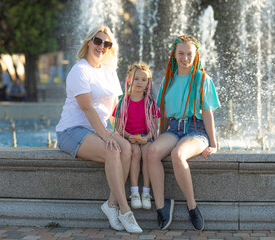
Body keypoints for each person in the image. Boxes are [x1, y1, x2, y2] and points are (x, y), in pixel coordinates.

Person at [55, 26, 142, 233]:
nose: (101, 47)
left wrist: (124, 133)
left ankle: (110, 205)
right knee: (113, 150)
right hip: (72, 130)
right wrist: (105, 136)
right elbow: (87, 107)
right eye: (98, 41)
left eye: (107, 44)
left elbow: (113, 109)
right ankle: (125, 210)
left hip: (97, 130)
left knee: (126, 148)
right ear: (88, 42)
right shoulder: (79, 70)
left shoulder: (110, 71)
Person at [147, 35, 221, 231]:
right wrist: (158, 136)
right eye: (181, 53)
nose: (185, 58)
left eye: (189, 54)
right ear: (175, 54)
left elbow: (207, 114)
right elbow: (163, 113)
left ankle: (192, 206)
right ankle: (162, 206)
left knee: (178, 154)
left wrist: (213, 144)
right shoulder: (168, 80)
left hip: (195, 129)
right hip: (173, 128)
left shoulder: (202, 79)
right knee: (152, 152)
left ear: (195, 54)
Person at [112, 62, 160, 210]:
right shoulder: (123, 103)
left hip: (146, 137)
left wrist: (147, 137)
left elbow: (155, 126)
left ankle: (146, 191)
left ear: (148, 83)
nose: (139, 82)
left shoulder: (150, 104)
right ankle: (134, 192)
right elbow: (117, 126)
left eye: (143, 79)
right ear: (129, 80)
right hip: (129, 137)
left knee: (146, 152)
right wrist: (128, 135)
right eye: (136, 79)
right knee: (135, 151)